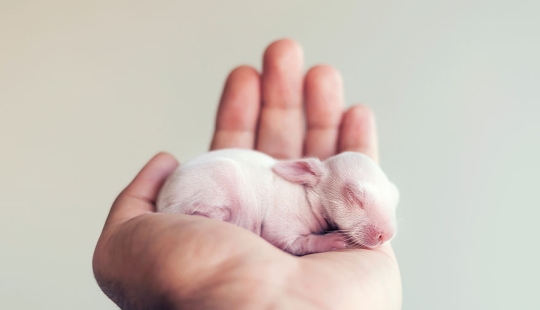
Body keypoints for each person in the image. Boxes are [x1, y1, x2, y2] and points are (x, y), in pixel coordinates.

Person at [92, 39, 402, 309]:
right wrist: (313, 245)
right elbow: (286, 237)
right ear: (308, 173)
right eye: (356, 198)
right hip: (202, 188)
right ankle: (204, 213)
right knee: (226, 176)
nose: (384, 234)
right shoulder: (297, 196)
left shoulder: (314, 204)